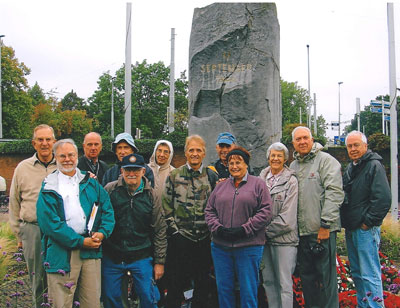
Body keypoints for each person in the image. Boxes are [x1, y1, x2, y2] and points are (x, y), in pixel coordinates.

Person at [36, 138, 115, 308]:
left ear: (77, 156)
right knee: (61, 302)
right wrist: (80, 241)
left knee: (91, 301)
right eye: (62, 156)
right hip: (61, 253)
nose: (67, 159)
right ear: (55, 157)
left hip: (91, 252)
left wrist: (102, 233)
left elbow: (107, 211)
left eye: (71, 155)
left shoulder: (91, 183)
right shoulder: (49, 187)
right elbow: (50, 224)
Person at [205, 146, 272, 308]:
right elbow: (209, 210)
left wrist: (245, 229)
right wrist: (218, 228)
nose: (234, 166)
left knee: (248, 290)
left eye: (238, 162)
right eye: (231, 163)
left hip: (248, 247)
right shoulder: (220, 187)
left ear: (246, 165)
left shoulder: (258, 185)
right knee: (224, 289)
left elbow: (266, 211)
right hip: (221, 247)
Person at [102, 153, 167, 308]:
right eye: (128, 170)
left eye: (136, 170)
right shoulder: (110, 190)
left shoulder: (152, 195)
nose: (132, 174)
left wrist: (159, 262)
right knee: (110, 297)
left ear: (143, 171)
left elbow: (160, 230)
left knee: (148, 296)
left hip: (141, 255)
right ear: (121, 171)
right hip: (113, 255)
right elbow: (100, 220)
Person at [289, 126, 344, 308]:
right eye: (298, 139)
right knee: (308, 282)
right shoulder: (293, 166)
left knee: (326, 283)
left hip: (322, 233)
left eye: (305, 138)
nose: (302, 142)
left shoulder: (326, 161)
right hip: (302, 235)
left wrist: (326, 224)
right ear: (293, 144)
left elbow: (334, 192)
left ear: (312, 139)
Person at [162, 135, 219, 308]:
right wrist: (175, 233)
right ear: (186, 152)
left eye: (198, 150)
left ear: (204, 153)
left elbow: (217, 207)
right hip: (181, 240)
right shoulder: (174, 175)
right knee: (175, 285)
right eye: (191, 150)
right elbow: (166, 207)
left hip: (203, 241)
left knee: (202, 285)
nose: (195, 153)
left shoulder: (211, 177)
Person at [9, 124, 57, 308]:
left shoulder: (63, 165)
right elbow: (14, 201)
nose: (44, 143)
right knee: (38, 280)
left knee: (60, 278)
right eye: (40, 140)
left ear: (54, 142)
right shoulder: (22, 168)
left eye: (48, 139)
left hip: (58, 231)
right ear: (34, 143)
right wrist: (19, 234)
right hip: (33, 230)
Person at [341, 131, 391, 308]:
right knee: (357, 273)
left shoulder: (374, 166)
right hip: (352, 228)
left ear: (365, 146)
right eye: (349, 146)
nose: (353, 149)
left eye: (356, 145)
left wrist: (367, 223)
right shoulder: (352, 167)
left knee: (369, 273)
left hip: (365, 230)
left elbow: (383, 199)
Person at [259, 142, 298, 308]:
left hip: (284, 240)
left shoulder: (291, 181)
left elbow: (288, 218)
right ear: (268, 158)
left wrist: (264, 231)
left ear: (285, 159)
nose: (275, 159)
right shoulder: (260, 179)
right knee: (268, 281)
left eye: (279, 156)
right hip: (263, 241)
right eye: (273, 155)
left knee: (284, 283)